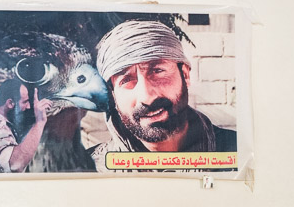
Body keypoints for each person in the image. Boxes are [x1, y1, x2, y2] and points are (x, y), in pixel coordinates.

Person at [89, 20, 236, 171]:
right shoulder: (90, 170)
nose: (146, 97)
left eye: (158, 71)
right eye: (126, 80)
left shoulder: (238, 154)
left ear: (185, 75)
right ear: (113, 95)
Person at [0, 79, 52, 173]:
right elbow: (15, 165)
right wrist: (40, 122)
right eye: (25, 102)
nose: (28, 107)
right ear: (10, 103)